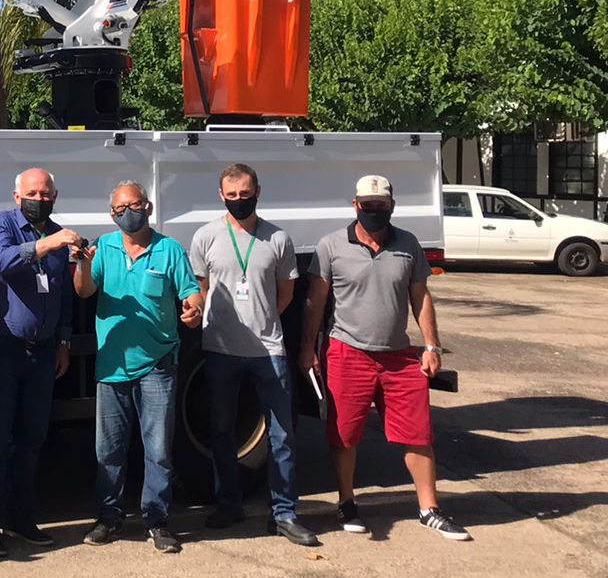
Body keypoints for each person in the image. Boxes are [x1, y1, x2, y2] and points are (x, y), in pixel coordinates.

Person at [300, 175, 471, 541]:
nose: (374, 211)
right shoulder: (331, 245)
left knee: (417, 433)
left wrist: (432, 345)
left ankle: (429, 509)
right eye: (367, 205)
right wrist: (308, 348)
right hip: (347, 351)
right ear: (355, 205)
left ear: (392, 206)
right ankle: (347, 503)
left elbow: (420, 296)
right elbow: (315, 301)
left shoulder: (408, 244)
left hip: (399, 356)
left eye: (380, 205)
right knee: (344, 434)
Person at [189, 164, 318, 547]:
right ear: (221, 195)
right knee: (221, 431)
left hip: (268, 351)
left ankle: (284, 513)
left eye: (245, 195)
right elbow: (202, 289)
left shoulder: (277, 238)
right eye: (231, 195)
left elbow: (286, 293)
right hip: (220, 349)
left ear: (258, 192)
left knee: (282, 435)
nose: (238, 201)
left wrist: (261, 321)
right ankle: (228, 504)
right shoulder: (206, 237)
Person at [74, 180, 203, 553]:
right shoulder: (103, 248)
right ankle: (108, 518)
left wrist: (194, 309)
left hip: (157, 365)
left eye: (133, 206)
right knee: (109, 450)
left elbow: (191, 292)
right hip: (112, 366)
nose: (127, 213)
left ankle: (157, 521)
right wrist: (82, 264)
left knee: (158, 449)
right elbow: (84, 290)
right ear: (111, 213)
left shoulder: (169, 250)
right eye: (119, 209)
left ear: (147, 207)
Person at [0, 167, 81, 556]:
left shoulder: (57, 235)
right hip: (3, 350)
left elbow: (63, 295)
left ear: (55, 196)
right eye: (32, 193)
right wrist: (48, 244)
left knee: (32, 439)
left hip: (43, 352)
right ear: (17, 197)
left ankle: (20, 518)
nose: (39, 199)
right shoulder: (1, 225)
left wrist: (64, 342)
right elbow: (1, 262)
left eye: (46, 193)